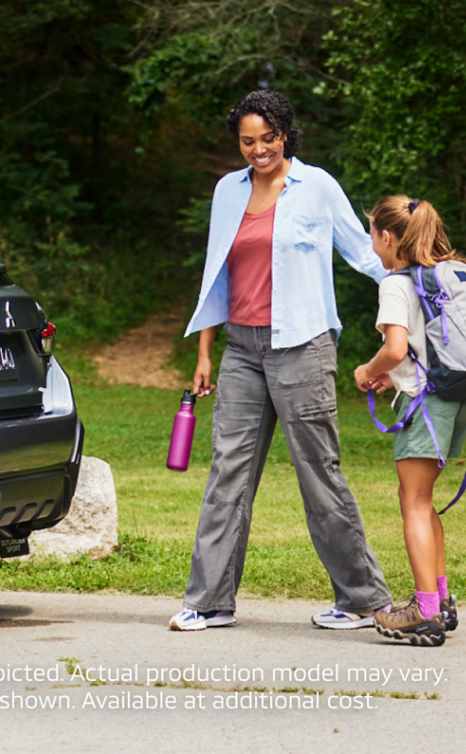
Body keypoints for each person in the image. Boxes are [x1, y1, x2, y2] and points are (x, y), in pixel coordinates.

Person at [169, 89, 392, 632]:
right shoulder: (228, 191)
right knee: (228, 474)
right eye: (248, 141)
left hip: (303, 346)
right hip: (241, 351)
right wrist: (204, 349)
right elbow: (215, 274)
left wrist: (416, 291)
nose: (258, 149)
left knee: (319, 474)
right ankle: (211, 600)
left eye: (268, 138)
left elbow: (366, 254)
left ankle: (362, 599)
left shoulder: (316, 187)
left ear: (285, 134)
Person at [353, 195, 466, 647]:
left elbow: (397, 348)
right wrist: (394, 375)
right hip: (454, 399)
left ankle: (423, 610)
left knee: (414, 502)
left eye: (372, 236)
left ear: (387, 236)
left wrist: (369, 369)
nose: (373, 246)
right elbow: (423, 348)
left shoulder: (397, 283)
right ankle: (439, 598)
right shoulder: (443, 275)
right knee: (423, 498)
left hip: (425, 402)